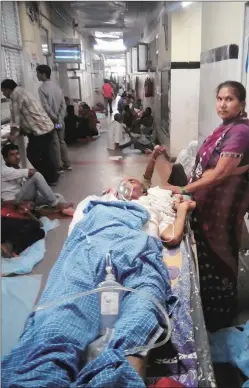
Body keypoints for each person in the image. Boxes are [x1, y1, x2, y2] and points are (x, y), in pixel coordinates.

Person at [160, 81, 249, 331]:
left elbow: (220, 173)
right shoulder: (226, 127)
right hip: (209, 201)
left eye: (229, 99)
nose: (222, 104)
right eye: (220, 98)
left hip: (224, 206)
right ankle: (208, 308)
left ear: (241, 103)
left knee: (221, 253)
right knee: (207, 255)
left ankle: (220, 314)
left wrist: (185, 189)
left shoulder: (240, 132)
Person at [1, 79, 58, 186]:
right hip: (45, 128)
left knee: (32, 155)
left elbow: (15, 120)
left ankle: (47, 177)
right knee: (45, 155)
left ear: (8, 90)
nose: (3, 94)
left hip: (41, 130)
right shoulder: (22, 91)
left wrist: (12, 135)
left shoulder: (15, 96)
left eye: (3, 91)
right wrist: (17, 132)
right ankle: (51, 177)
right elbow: (25, 117)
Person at [1, 143, 74, 214]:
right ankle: (55, 204)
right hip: (14, 201)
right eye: (12, 155)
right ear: (5, 158)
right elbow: (31, 172)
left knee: (58, 196)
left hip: (23, 197)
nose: (16, 157)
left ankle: (63, 210)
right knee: (37, 176)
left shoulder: (17, 166)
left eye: (17, 153)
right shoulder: (5, 171)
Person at [36, 65, 72, 172]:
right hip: (60, 120)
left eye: (38, 73)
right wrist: (59, 118)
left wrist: (54, 118)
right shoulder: (57, 87)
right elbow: (63, 104)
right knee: (61, 141)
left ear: (43, 74)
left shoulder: (42, 88)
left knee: (55, 142)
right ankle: (67, 163)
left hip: (51, 121)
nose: (36, 75)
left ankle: (58, 166)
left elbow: (45, 106)